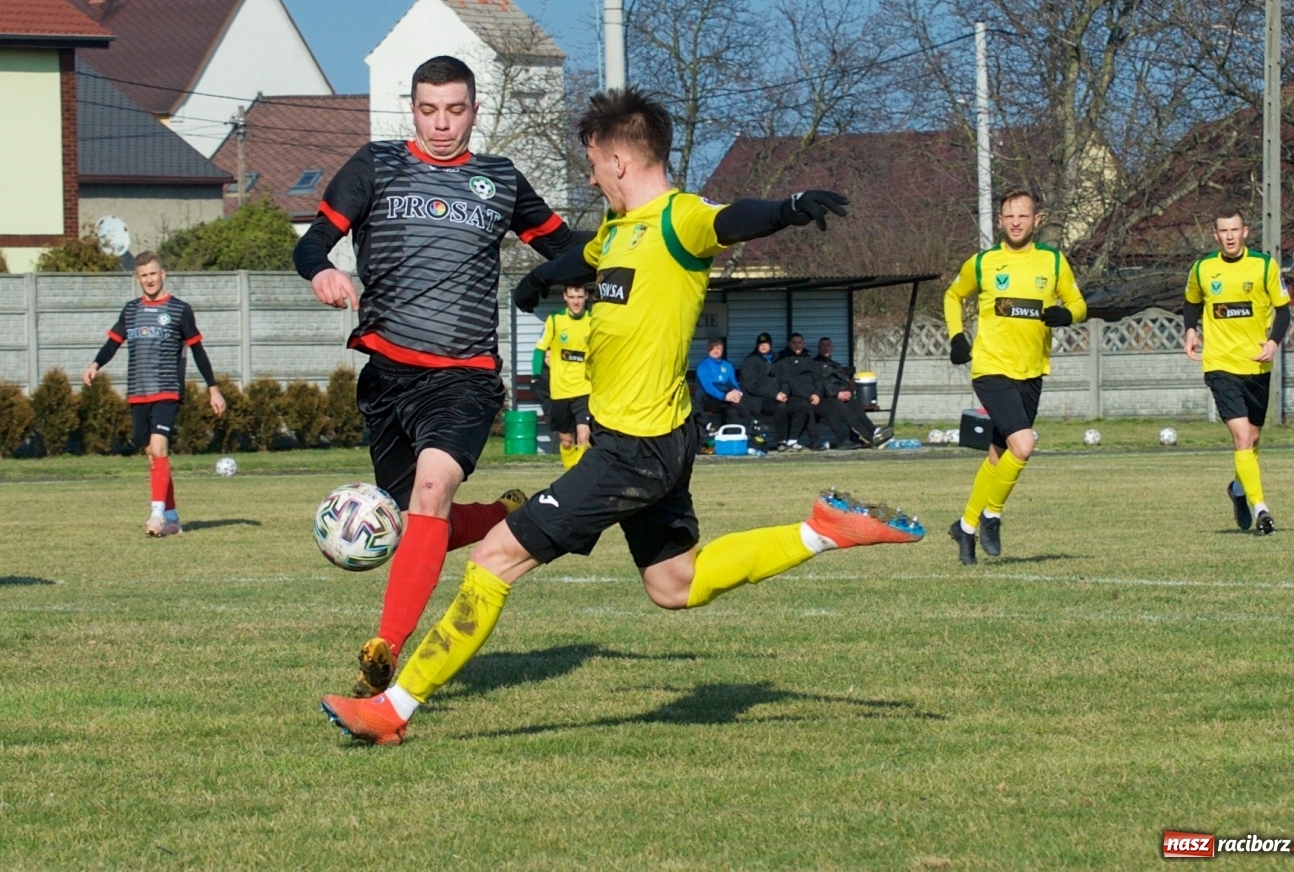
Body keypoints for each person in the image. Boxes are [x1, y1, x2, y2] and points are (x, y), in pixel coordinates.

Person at [320, 86, 923, 745]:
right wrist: (540, 278)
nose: (589, 174)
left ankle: (392, 709)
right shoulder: (619, 229)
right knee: (675, 582)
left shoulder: (676, 219)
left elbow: (731, 220)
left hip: (631, 449)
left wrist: (788, 208)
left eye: (591, 162)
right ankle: (823, 530)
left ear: (619, 160)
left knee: (494, 559)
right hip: (652, 441)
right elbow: (590, 255)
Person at [293, 55, 582, 698]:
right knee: (410, 524)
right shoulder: (375, 165)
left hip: (465, 376)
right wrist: (322, 271)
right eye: (429, 109)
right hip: (388, 375)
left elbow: (569, 249)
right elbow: (312, 242)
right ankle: (506, 516)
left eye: (455, 110)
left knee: (430, 491)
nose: (442, 123)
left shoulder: (500, 180)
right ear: (413, 108)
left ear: (474, 110)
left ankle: (384, 652)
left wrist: (647, 240)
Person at [942, 189, 1086, 565]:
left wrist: (1067, 316)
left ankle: (966, 527)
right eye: (1009, 215)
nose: (1016, 222)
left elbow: (1078, 304)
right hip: (991, 368)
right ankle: (991, 515)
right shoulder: (984, 262)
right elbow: (952, 296)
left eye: (1023, 215)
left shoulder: (1053, 261)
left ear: (1037, 220)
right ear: (1000, 220)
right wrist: (957, 336)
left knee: (999, 454)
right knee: (1023, 445)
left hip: (1032, 371)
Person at [84, 251, 226, 537]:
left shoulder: (179, 310)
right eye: (143, 275)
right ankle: (172, 517)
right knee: (152, 455)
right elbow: (113, 343)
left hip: (167, 390)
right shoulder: (130, 310)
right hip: (138, 392)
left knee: (159, 449)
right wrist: (96, 364)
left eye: (153, 273)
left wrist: (213, 388)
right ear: (138, 279)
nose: (149, 279)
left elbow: (197, 349)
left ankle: (156, 516)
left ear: (163, 274)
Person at [1182, 208, 1291, 535]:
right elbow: (1191, 302)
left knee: (1253, 439)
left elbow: (1283, 311)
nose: (1229, 236)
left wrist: (1273, 343)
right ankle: (1262, 510)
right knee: (1242, 436)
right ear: (1215, 235)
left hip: (1257, 365)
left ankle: (1239, 491)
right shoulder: (1203, 269)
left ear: (1245, 232)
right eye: (1223, 231)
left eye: (1235, 230)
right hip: (1220, 365)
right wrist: (1190, 330)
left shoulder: (1264, 266)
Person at [533, 283, 592, 468]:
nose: (576, 301)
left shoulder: (594, 321)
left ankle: (582, 480)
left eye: (580, 297)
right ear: (565, 297)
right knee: (567, 441)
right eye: (572, 297)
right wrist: (536, 375)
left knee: (584, 436)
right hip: (560, 390)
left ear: (586, 297)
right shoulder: (555, 320)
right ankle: (571, 475)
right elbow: (539, 350)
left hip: (584, 388)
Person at [738, 332, 799, 450]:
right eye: (761, 344)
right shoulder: (750, 361)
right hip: (758, 401)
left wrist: (784, 392)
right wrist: (775, 394)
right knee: (780, 407)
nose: (763, 346)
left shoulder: (778, 359)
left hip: (779, 397)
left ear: (770, 345)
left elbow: (786, 379)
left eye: (766, 343)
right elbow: (752, 386)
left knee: (801, 405)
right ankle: (781, 441)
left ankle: (793, 440)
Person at [694, 336, 750, 432]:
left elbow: (733, 383)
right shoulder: (703, 366)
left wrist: (738, 393)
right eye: (713, 347)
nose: (716, 350)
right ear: (708, 350)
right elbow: (708, 387)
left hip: (725, 400)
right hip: (707, 398)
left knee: (733, 412)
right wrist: (724, 397)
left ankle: (732, 439)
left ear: (723, 349)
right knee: (733, 404)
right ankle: (752, 422)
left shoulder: (727, 366)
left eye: (719, 348)